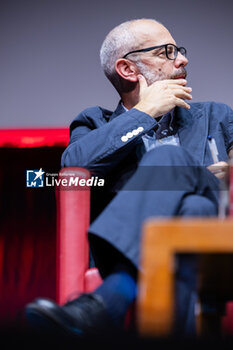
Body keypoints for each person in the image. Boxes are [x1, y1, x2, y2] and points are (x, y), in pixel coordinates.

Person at [25, 18, 233, 337]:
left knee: (170, 162)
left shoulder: (217, 116)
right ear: (127, 69)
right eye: (167, 52)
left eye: (179, 50)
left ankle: (107, 301)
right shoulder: (94, 123)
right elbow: (73, 169)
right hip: (182, 239)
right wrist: (144, 115)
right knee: (192, 209)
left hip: (222, 238)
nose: (182, 59)